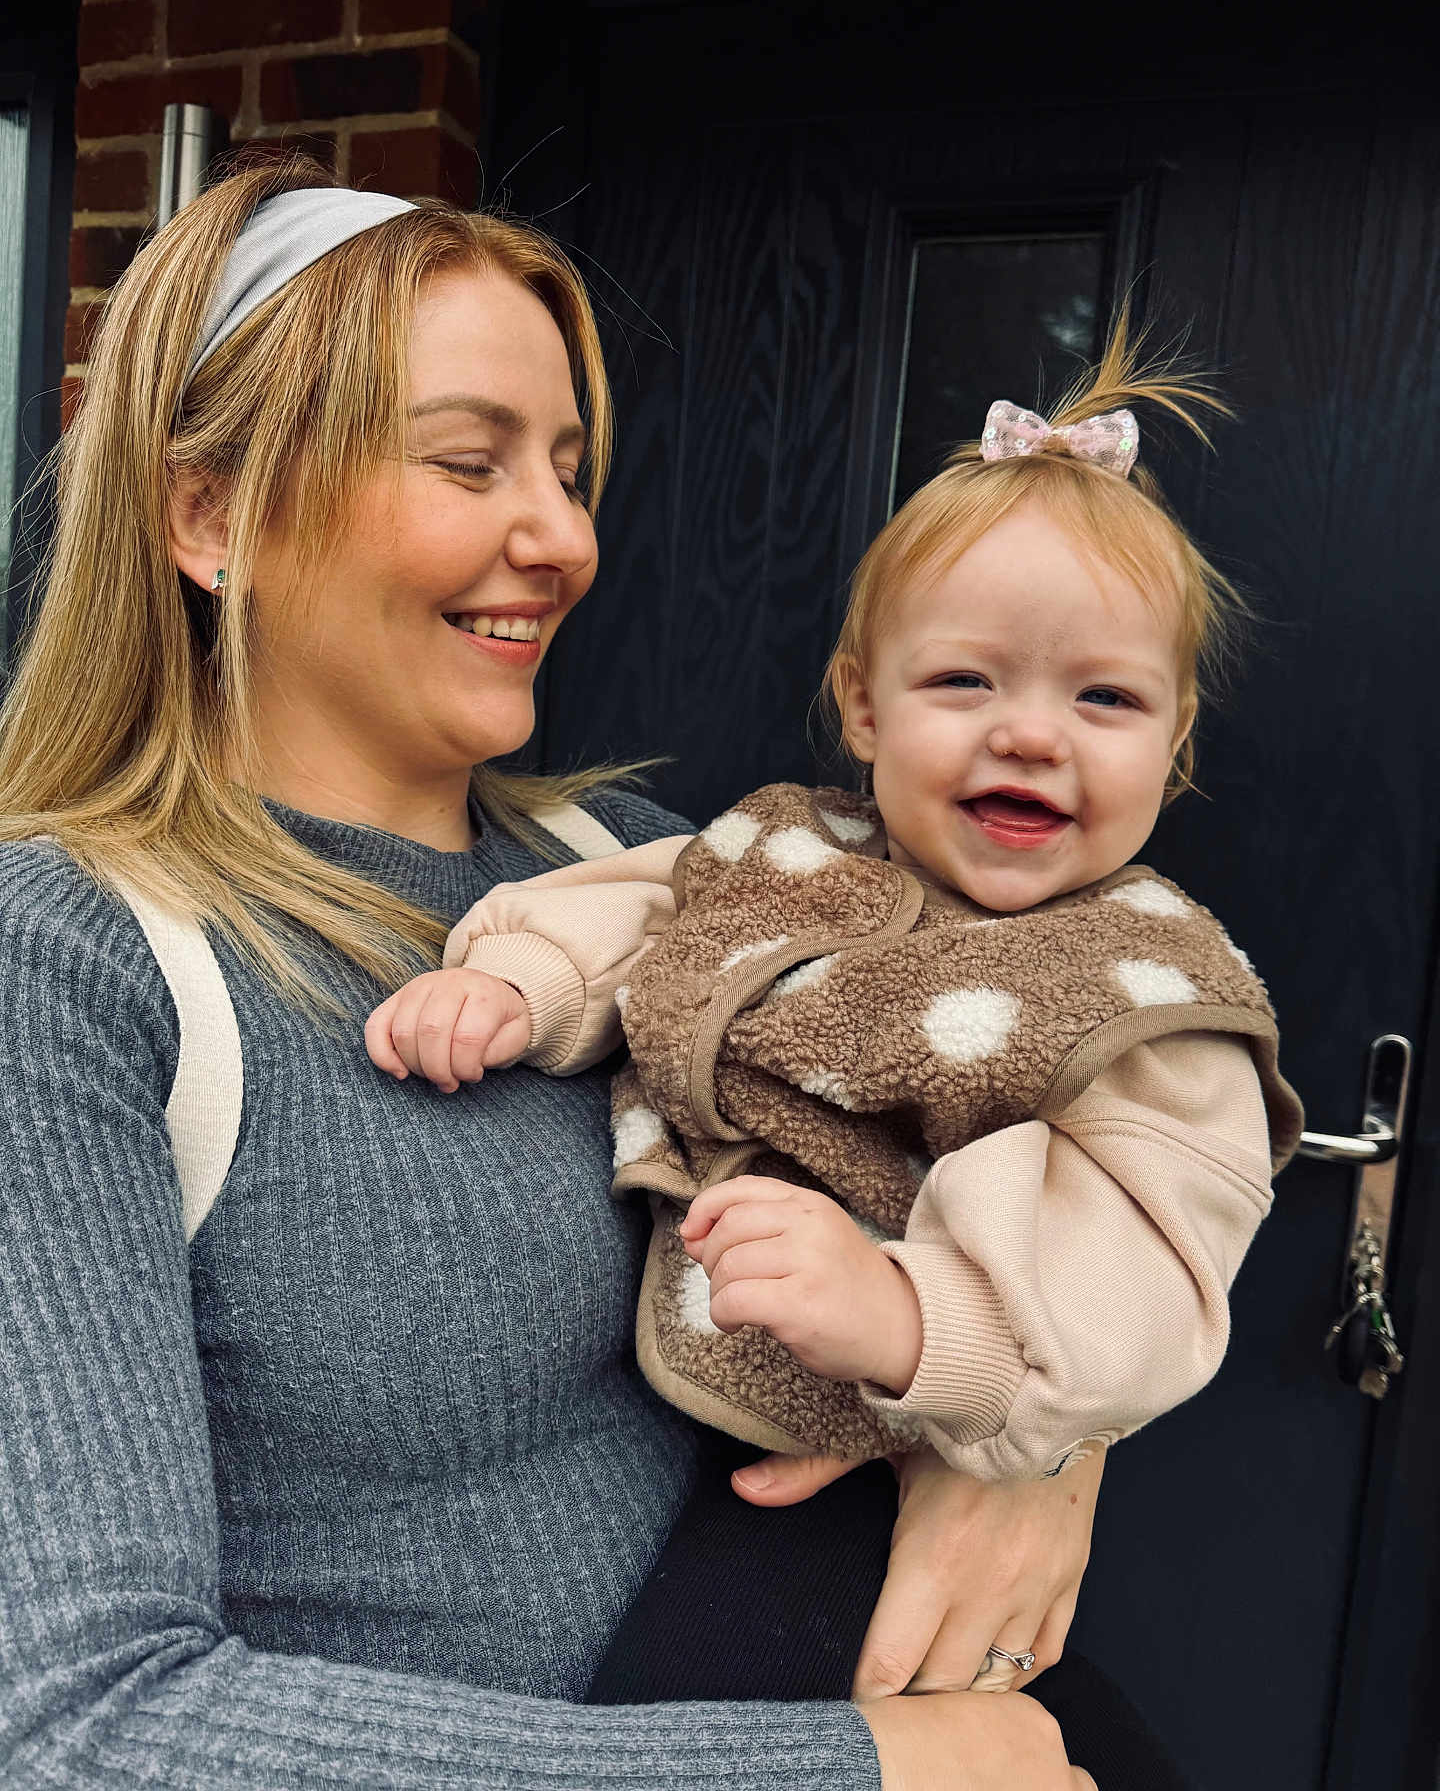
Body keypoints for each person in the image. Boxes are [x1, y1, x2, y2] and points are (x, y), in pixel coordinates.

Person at [0, 157, 1101, 1790]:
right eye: (470, 462)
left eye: (570, 472)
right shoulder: (73, 958)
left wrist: (1039, 1450)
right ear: (211, 514)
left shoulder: (646, 861)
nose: (563, 538)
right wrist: (861, 1775)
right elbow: (80, 1723)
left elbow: (1019, 1133)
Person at [365, 331, 1299, 1728]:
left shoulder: (1149, 994)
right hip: (682, 1412)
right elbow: (642, 911)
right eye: (966, 682)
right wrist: (516, 986)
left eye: (1103, 697)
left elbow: (1146, 1279)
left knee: (708, 1708)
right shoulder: (788, 846)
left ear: (1173, 744)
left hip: (867, 1470)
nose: (1031, 736)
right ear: (864, 705)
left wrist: (909, 1316)